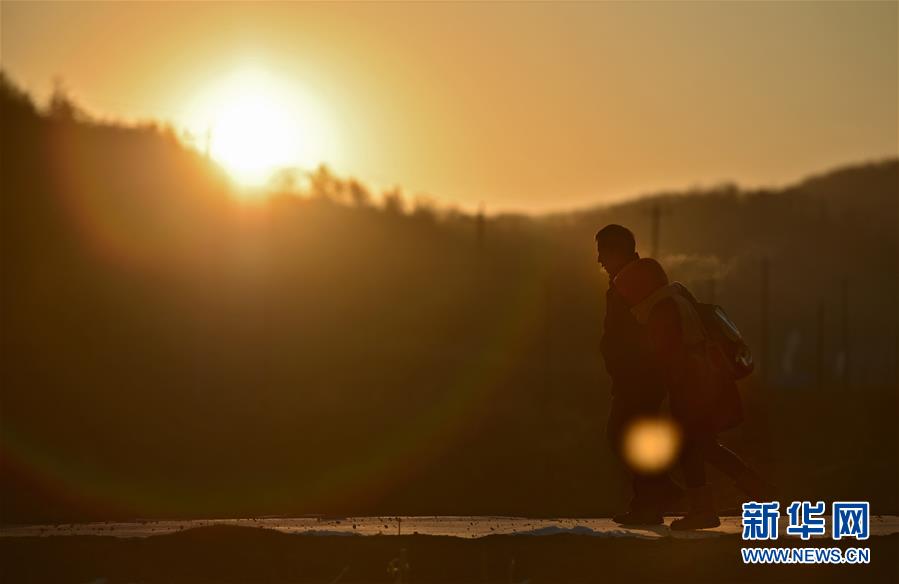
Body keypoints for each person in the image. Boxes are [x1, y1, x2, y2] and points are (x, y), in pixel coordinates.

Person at [612, 250, 776, 530]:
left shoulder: (661, 310)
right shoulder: (677, 299)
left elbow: (668, 356)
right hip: (705, 385)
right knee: (706, 447)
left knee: (689, 447)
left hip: (691, 390)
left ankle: (703, 510)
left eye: (628, 290)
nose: (627, 297)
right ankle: (760, 491)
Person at [595, 224, 682, 525]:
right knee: (631, 437)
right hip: (640, 377)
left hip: (638, 378)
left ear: (616, 251)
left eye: (603, 253)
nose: (599, 261)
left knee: (623, 436)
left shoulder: (632, 283)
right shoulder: (635, 279)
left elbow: (631, 334)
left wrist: (625, 366)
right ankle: (651, 500)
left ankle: (656, 497)